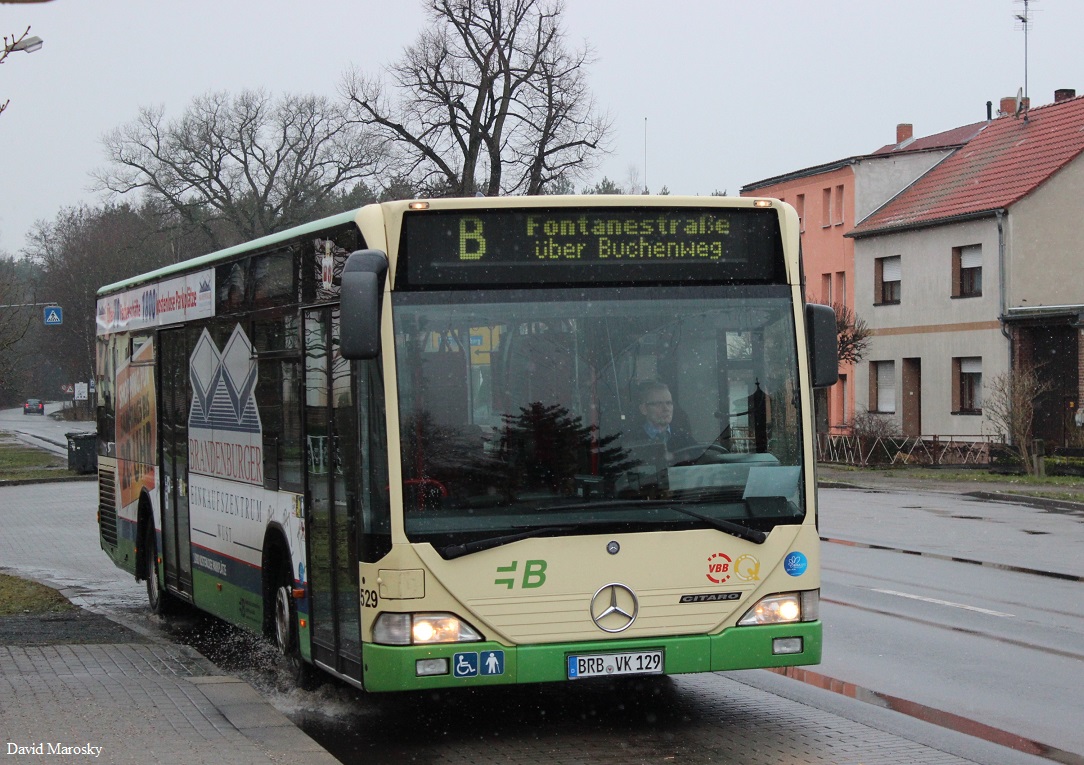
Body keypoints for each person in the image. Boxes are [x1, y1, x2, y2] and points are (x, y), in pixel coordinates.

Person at [631, 381, 696, 457]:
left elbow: (705, 463)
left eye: (669, 403)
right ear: (644, 409)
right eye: (658, 404)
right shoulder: (631, 442)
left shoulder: (685, 439)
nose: (666, 409)